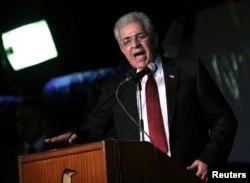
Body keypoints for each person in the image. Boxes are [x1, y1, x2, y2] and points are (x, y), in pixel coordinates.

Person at [45, 11, 238, 182]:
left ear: (154, 38)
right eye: (127, 41)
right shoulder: (117, 86)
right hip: (141, 176)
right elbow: (94, 124)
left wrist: (207, 159)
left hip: (189, 174)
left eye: (140, 36)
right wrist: (74, 136)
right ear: (122, 49)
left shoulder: (189, 70)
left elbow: (224, 119)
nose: (134, 44)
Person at [0, 95, 57, 183]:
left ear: (43, 121)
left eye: (30, 120)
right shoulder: (8, 158)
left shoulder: (58, 150)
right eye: (20, 120)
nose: (24, 125)